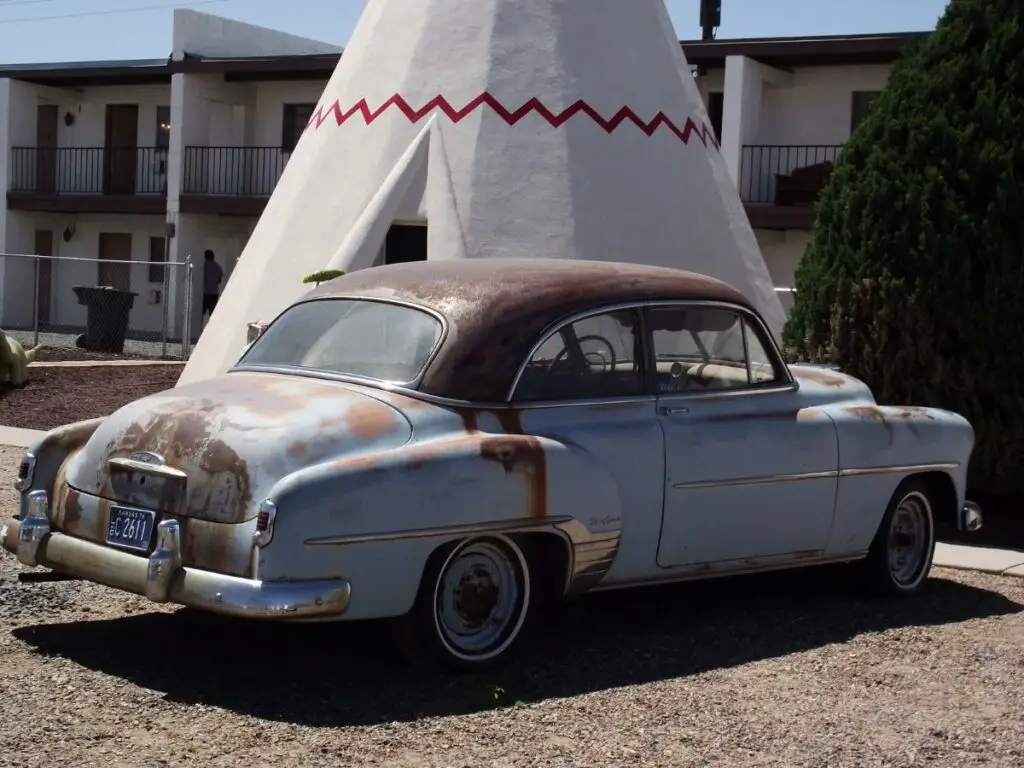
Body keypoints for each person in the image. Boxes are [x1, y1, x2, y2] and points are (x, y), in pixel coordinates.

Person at [202, 249, 224, 320]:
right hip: (214, 294)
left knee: (200, 315)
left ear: (205, 257)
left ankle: (199, 329)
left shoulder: (203, 266)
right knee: (213, 316)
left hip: (204, 294)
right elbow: (219, 281)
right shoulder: (218, 267)